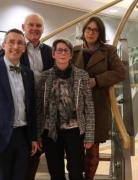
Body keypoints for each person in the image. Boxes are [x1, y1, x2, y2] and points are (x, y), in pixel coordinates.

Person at [72, 16, 126, 180]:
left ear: (100, 32)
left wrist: (97, 80)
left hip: (97, 106)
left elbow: (120, 72)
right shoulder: (74, 50)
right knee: (74, 148)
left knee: (92, 148)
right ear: (84, 31)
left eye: (95, 30)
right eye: (88, 29)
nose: (91, 32)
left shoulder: (109, 50)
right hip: (74, 107)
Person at [36, 39, 95, 180]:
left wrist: (89, 136)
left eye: (66, 50)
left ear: (70, 55)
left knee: (76, 171)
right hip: (50, 131)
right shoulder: (44, 76)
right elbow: (39, 107)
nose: (62, 53)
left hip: (74, 130)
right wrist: (37, 134)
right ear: (53, 54)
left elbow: (89, 106)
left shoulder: (82, 75)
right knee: (55, 172)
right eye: (59, 50)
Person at [0, 28, 38, 180]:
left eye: (20, 43)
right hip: (2, 135)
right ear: (3, 45)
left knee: (21, 176)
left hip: (23, 136)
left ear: (24, 48)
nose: (15, 47)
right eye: (11, 42)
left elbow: (31, 108)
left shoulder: (28, 73)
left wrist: (34, 137)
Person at [21, 13, 54, 180]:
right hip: (22, 114)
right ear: (23, 28)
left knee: (35, 158)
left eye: (38, 26)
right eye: (31, 25)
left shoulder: (50, 52)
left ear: (43, 29)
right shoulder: (16, 49)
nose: (35, 29)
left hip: (44, 114)